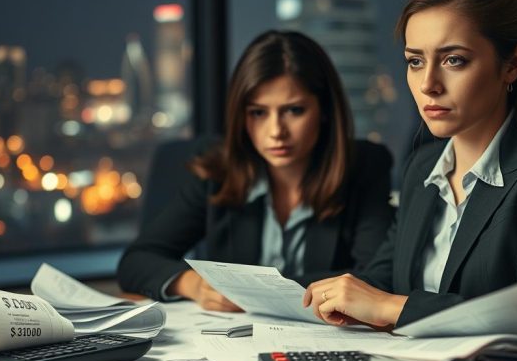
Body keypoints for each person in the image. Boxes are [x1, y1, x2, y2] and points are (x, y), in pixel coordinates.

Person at [303, 0, 517, 330]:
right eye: (415, 61)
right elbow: (380, 279)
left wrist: (392, 308)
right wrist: (279, 290)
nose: (428, 83)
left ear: (512, 65)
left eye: (454, 60)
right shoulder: (423, 166)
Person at [118, 30, 394, 311]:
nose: (276, 132)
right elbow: (136, 261)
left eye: (294, 110)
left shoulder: (363, 166)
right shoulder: (219, 170)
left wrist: (253, 292)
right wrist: (194, 285)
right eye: (258, 113)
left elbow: (378, 279)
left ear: (323, 110)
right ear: (241, 115)